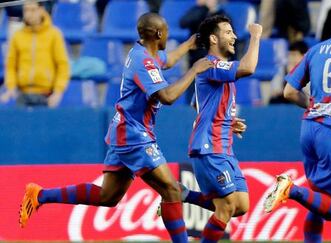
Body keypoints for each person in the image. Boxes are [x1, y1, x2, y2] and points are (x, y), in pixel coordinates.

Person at [18, 12, 213, 243]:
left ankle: (39, 195)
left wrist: (189, 44)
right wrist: (194, 70)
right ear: (159, 34)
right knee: (171, 191)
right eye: (166, 30)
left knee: (107, 196)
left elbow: (167, 60)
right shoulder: (144, 62)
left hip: (124, 130)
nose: (168, 34)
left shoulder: (142, 51)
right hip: (134, 135)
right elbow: (168, 96)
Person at [263, 1, 331, 242]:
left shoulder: (316, 50)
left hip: (309, 129)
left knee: (317, 201)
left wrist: (315, 106)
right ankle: (290, 189)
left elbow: (289, 92)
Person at [176, 15, 261, 242]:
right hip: (209, 147)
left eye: (233, 32)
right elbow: (249, 67)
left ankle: (182, 194)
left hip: (224, 146)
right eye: (228, 32)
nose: (234, 36)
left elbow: (198, 104)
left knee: (241, 205)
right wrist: (255, 35)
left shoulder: (216, 69)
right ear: (213, 38)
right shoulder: (211, 64)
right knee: (226, 207)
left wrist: (226, 122)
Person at [0, 0, 70, 108]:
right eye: (26, 10)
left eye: (33, 10)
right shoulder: (17, 36)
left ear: (41, 10)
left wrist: (58, 92)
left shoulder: (54, 35)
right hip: (22, 95)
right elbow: (11, 65)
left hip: (46, 94)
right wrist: (11, 87)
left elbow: (62, 65)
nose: (29, 14)